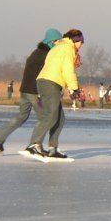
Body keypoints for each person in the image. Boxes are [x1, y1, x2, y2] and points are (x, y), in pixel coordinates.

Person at [0, 28, 62, 153]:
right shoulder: (46, 55)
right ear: (52, 41)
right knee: (45, 118)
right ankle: (34, 145)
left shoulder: (37, 52)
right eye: (59, 41)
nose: (60, 43)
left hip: (25, 90)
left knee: (21, 116)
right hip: (35, 92)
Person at [23, 29, 84, 160]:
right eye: (81, 42)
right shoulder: (68, 49)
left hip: (46, 82)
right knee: (50, 116)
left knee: (59, 118)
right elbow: (67, 70)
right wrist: (74, 88)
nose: (81, 45)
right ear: (76, 40)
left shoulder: (58, 48)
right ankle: (34, 145)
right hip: (50, 83)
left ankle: (52, 149)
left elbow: (58, 67)